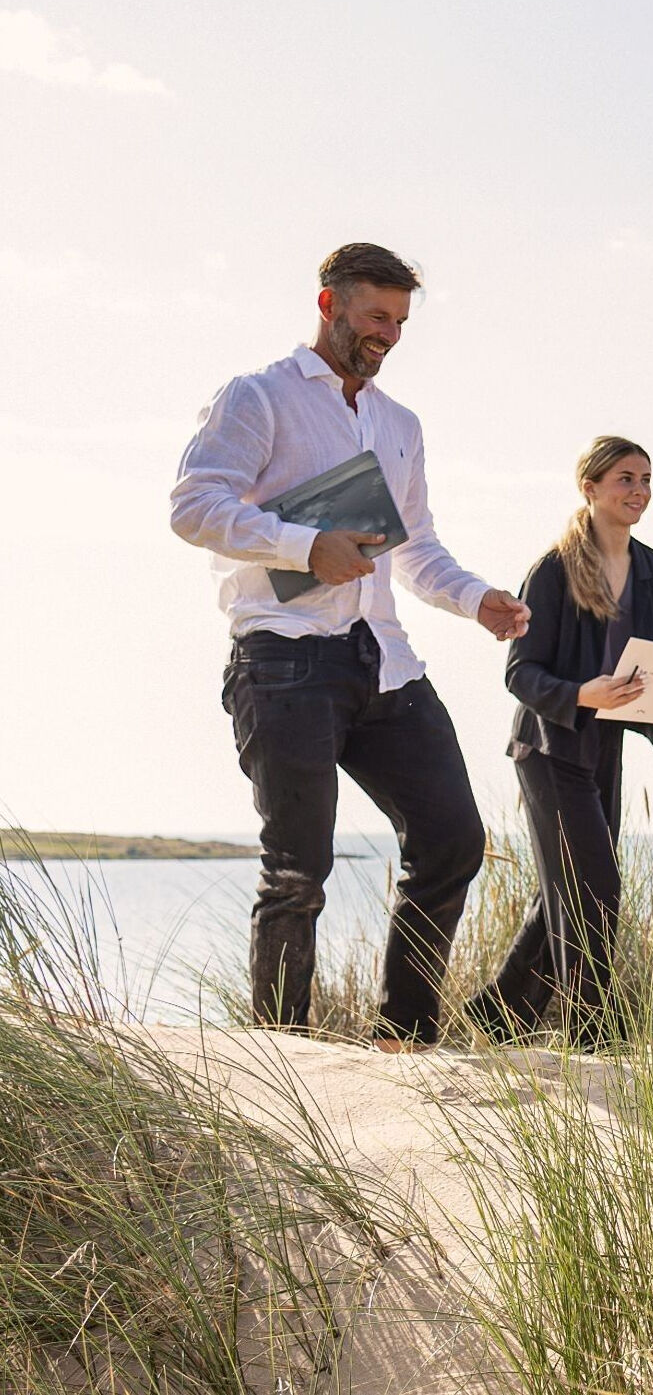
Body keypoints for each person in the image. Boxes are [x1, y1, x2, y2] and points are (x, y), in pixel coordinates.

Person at [171, 243, 530, 1050]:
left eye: (401, 322)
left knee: (452, 841)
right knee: (297, 869)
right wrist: (306, 546)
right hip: (284, 658)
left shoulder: (400, 424)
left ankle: (404, 1036)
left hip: (386, 662)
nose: (389, 335)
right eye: (376, 317)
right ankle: (285, 1058)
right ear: (329, 304)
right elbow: (194, 506)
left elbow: (416, 547)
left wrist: (478, 600)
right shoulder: (257, 397)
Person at [470, 436, 653, 1047]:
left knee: (563, 896)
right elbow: (520, 672)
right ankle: (592, 1032)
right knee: (596, 886)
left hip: (606, 748)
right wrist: (582, 694)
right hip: (548, 748)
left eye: (647, 480)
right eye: (626, 479)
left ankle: (493, 1019)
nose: (639, 492)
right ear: (590, 487)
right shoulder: (552, 569)